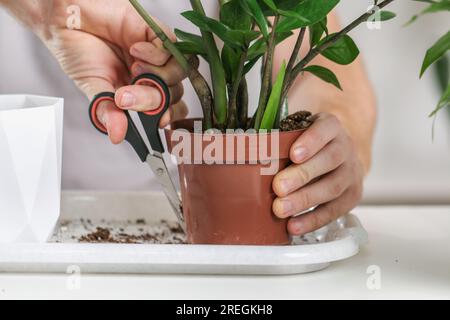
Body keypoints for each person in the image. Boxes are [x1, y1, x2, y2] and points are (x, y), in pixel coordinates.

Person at [0, 0, 375, 236]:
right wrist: (48, 9)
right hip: (16, 215)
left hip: (189, 210)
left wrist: (327, 147)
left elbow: (319, 65)